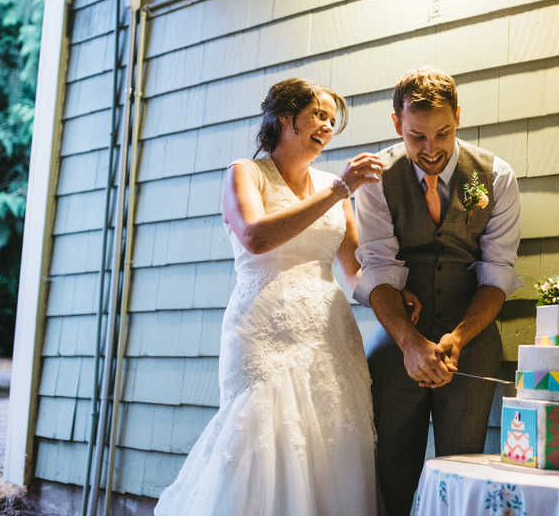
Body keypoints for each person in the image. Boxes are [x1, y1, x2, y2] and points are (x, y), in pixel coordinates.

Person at [154, 78, 389, 515]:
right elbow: (255, 237)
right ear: (285, 116)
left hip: (329, 336)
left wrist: (390, 300)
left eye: (332, 121)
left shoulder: (330, 184)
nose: (327, 126)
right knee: (264, 444)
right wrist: (338, 191)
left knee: (329, 447)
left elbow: (354, 270)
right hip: (264, 332)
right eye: (319, 114)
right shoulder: (246, 172)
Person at [353, 66, 522, 516]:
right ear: (396, 125)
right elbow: (378, 268)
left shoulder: (492, 176)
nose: (431, 150)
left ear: (458, 117)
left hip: (472, 334)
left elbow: (497, 272)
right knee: (389, 462)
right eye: (416, 137)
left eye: (442, 133)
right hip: (397, 332)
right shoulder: (375, 181)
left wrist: (460, 337)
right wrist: (409, 343)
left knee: (462, 467)